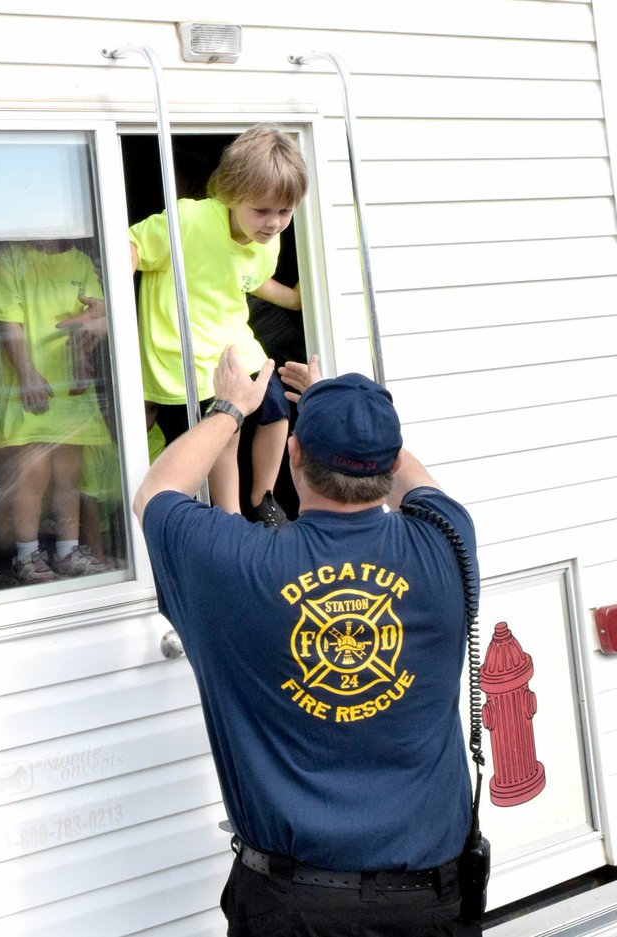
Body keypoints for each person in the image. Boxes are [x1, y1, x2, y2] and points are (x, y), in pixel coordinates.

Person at [133, 346, 481, 936]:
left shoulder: (238, 563)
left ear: (292, 452)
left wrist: (230, 408)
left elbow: (156, 495)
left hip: (293, 909)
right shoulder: (448, 541)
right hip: (431, 902)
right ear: (389, 461)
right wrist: (347, 412)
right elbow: (413, 480)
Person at [129, 125, 308, 526]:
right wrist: (113, 299)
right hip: (185, 349)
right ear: (229, 194)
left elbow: (249, 280)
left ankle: (263, 497)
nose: (274, 223)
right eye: (262, 211)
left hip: (232, 341)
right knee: (224, 432)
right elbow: (134, 247)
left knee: (276, 407)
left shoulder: (268, 239)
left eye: (285, 212)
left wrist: (293, 299)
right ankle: (229, 516)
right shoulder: (188, 220)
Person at [0, 239, 112, 584]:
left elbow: (89, 321)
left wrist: (82, 361)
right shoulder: (8, 258)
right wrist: (26, 373)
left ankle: (68, 550)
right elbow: (9, 322)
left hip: (71, 385)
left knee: (70, 472)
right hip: (29, 383)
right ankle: (26, 554)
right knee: (32, 471)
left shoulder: (80, 262)